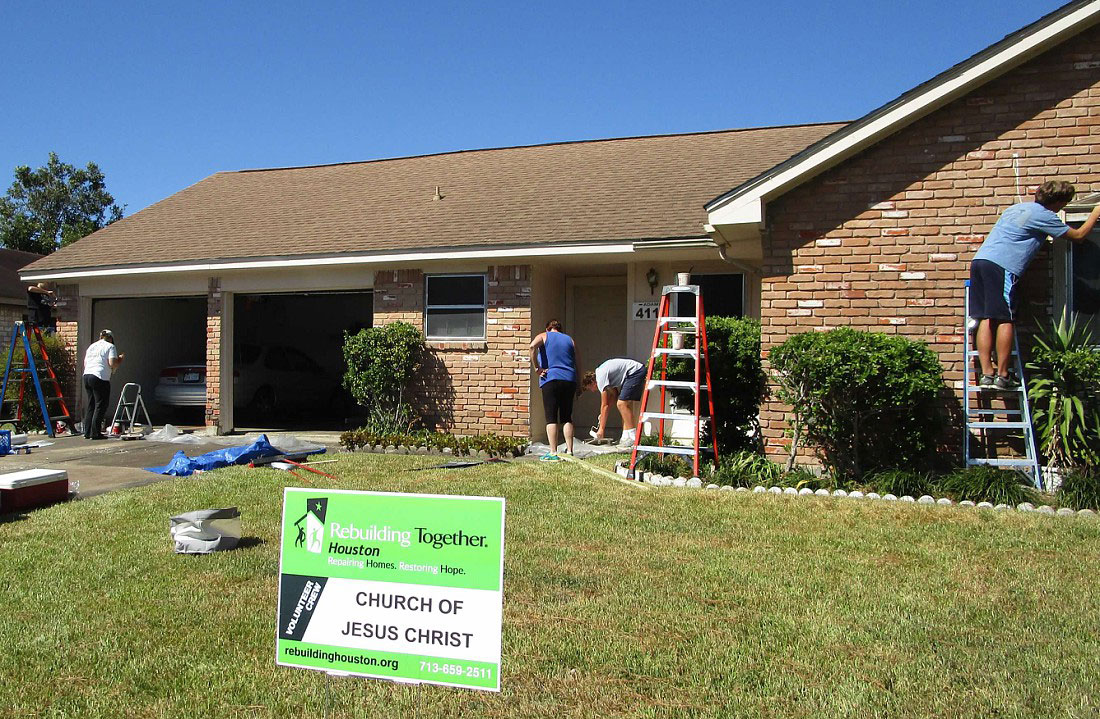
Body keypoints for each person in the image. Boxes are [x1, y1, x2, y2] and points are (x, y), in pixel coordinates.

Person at [970, 180, 1100, 389]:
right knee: (1006, 318)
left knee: (987, 316)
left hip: (980, 262)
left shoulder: (1017, 208)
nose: (1062, 208)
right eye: (1064, 204)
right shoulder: (1045, 215)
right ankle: (1003, 376)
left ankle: (987, 374)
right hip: (1002, 266)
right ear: (1057, 201)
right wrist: (1095, 213)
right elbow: (1078, 237)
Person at [530, 319, 579, 461]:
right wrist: (578, 382)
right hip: (569, 379)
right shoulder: (570, 340)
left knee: (551, 416)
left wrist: (537, 368)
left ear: (548, 328)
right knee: (567, 416)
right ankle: (570, 451)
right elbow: (578, 360)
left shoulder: (544, 336)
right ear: (560, 329)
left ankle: (553, 452)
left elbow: (532, 346)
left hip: (550, 378)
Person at [580, 357, 646, 447]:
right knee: (623, 405)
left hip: (635, 372)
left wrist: (601, 429)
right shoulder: (602, 374)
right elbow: (614, 395)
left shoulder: (600, 378)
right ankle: (625, 437)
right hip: (632, 373)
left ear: (592, 382)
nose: (592, 391)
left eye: (590, 388)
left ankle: (634, 438)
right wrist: (602, 415)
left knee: (621, 404)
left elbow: (604, 405)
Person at [82, 329, 124, 440]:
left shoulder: (91, 346)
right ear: (110, 338)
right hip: (100, 377)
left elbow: (85, 363)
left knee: (91, 404)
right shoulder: (110, 346)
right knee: (101, 405)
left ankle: (87, 432)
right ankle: (96, 433)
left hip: (87, 375)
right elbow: (112, 363)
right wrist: (119, 360)